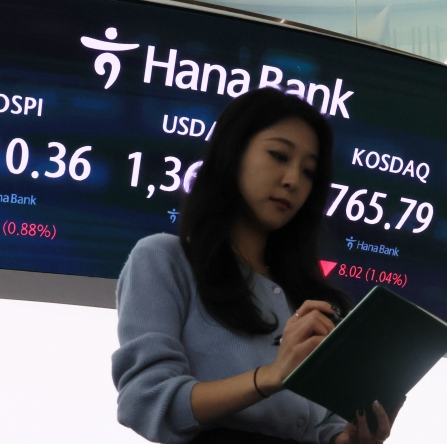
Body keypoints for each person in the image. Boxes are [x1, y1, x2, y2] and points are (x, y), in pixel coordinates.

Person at [112, 88, 403, 444]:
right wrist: (269, 376)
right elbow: (145, 400)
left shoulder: (311, 296)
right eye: (279, 155)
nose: (293, 180)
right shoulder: (164, 259)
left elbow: (320, 426)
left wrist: (351, 437)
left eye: (309, 171)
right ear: (233, 153)